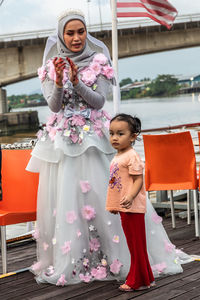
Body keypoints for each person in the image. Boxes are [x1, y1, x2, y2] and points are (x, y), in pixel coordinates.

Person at [27, 9, 193, 287]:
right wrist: (58, 81)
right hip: (63, 143)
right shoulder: (50, 65)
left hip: (95, 140)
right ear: (61, 36)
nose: (77, 37)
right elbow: (54, 106)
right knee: (69, 201)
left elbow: (99, 102)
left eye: (81, 31)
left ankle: (116, 254)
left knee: (105, 197)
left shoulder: (100, 60)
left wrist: (77, 81)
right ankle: (79, 257)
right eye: (70, 33)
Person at [106, 113, 155, 291]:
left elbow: (138, 180)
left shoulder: (131, 156)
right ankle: (146, 278)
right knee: (134, 244)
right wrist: (115, 205)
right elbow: (117, 184)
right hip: (125, 207)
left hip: (133, 207)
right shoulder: (119, 156)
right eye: (111, 133)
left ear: (133, 137)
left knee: (136, 244)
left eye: (120, 134)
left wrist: (131, 196)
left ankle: (137, 280)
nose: (114, 138)